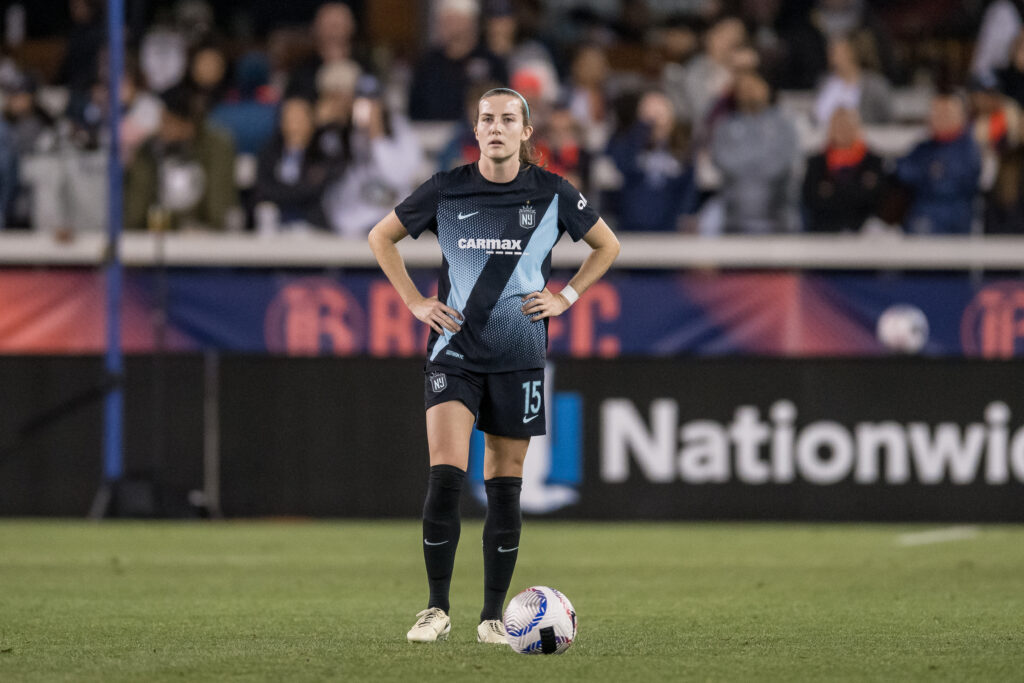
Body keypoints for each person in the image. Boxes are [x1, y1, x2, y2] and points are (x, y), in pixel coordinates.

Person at [367, 88, 619, 644]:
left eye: (509, 119)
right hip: (453, 351)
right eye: (488, 119)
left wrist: (567, 297)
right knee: (446, 474)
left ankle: (490, 617)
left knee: (505, 487)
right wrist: (414, 302)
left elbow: (607, 246)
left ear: (527, 133)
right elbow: (381, 236)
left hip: (518, 354)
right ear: (475, 130)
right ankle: (435, 609)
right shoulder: (447, 188)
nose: (497, 127)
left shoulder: (552, 192)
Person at [710, 68, 800, 233]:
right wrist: (758, 161)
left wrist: (747, 162)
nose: (749, 92)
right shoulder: (725, 126)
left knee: (794, 215)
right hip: (734, 205)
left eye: (753, 86)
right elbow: (722, 159)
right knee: (709, 219)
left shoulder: (783, 124)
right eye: (743, 88)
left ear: (766, 88)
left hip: (775, 205)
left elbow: (783, 161)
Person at [895, 92, 981, 234]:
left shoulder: (969, 150)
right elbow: (902, 172)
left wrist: (928, 174)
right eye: (935, 113)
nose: (938, 118)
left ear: (960, 116)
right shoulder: (923, 148)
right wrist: (928, 172)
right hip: (921, 216)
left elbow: (950, 184)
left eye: (946, 113)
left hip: (955, 223)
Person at [802, 107, 885, 232]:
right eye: (838, 126)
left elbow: (877, 199)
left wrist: (832, 191)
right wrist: (857, 188)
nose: (843, 130)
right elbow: (811, 199)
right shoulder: (817, 163)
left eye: (847, 125)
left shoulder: (873, 162)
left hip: (863, 229)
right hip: (824, 230)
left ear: (857, 128)